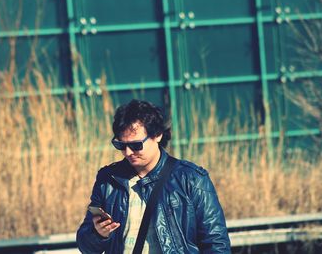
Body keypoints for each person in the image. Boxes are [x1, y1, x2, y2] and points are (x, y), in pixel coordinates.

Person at [76, 99, 231, 253]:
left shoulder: (191, 179)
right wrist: (98, 234)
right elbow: (86, 247)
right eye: (121, 145)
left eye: (136, 145)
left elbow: (216, 243)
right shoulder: (108, 180)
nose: (128, 152)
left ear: (157, 135)